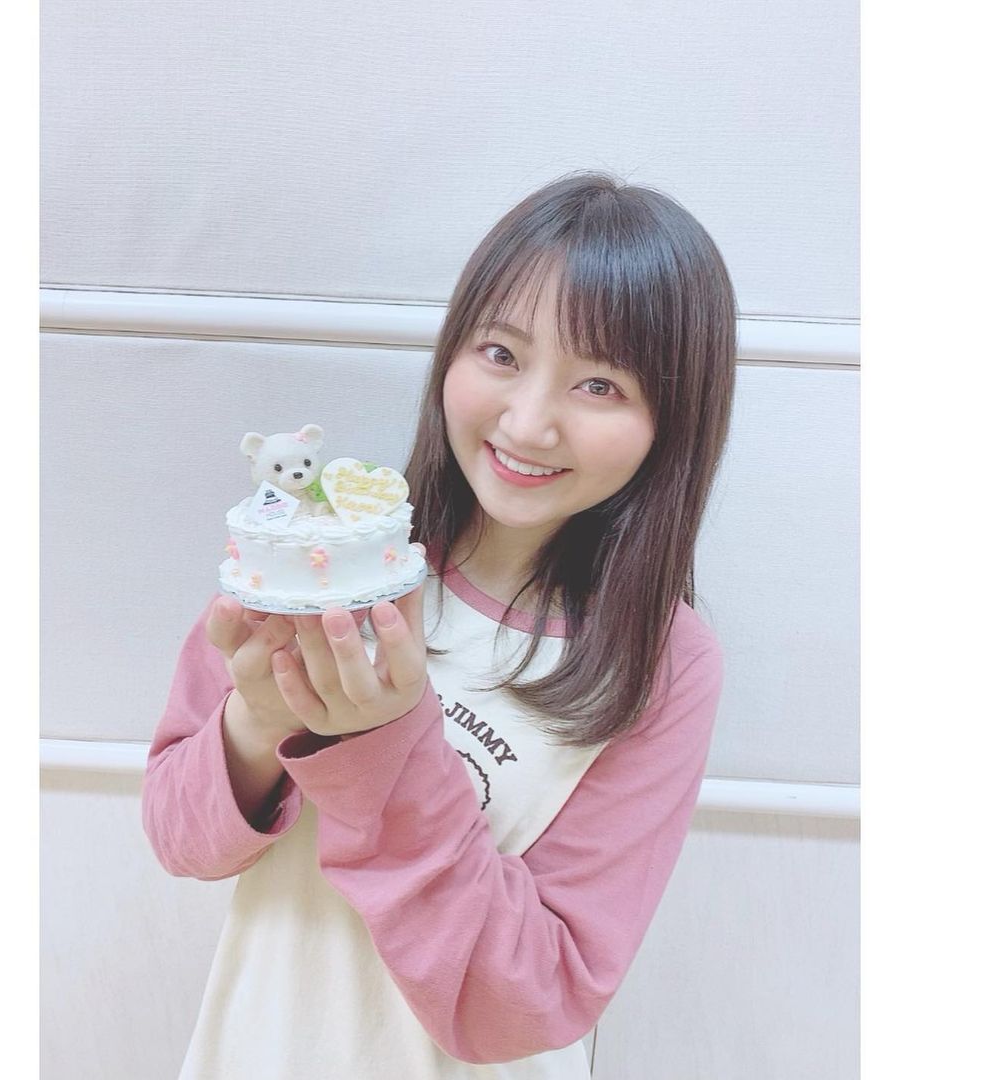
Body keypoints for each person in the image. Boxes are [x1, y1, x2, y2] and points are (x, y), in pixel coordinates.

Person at [142, 172, 737, 1080]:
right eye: (501, 353)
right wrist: (258, 722)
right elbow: (178, 840)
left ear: (672, 420)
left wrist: (382, 738)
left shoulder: (663, 663)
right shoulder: (325, 549)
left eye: (599, 385)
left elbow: (525, 1005)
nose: (529, 423)